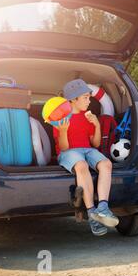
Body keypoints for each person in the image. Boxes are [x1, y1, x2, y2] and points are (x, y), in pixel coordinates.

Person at [53, 79, 119, 236]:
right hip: (69, 152)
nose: (89, 101)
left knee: (106, 164)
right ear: (73, 99)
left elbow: (95, 144)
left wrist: (96, 125)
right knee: (81, 166)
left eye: (89, 97)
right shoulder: (61, 118)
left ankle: (103, 207)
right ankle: (91, 214)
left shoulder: (88, 116)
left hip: (87, 149)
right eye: (85, 98)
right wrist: (63, 131)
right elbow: (64, 147)